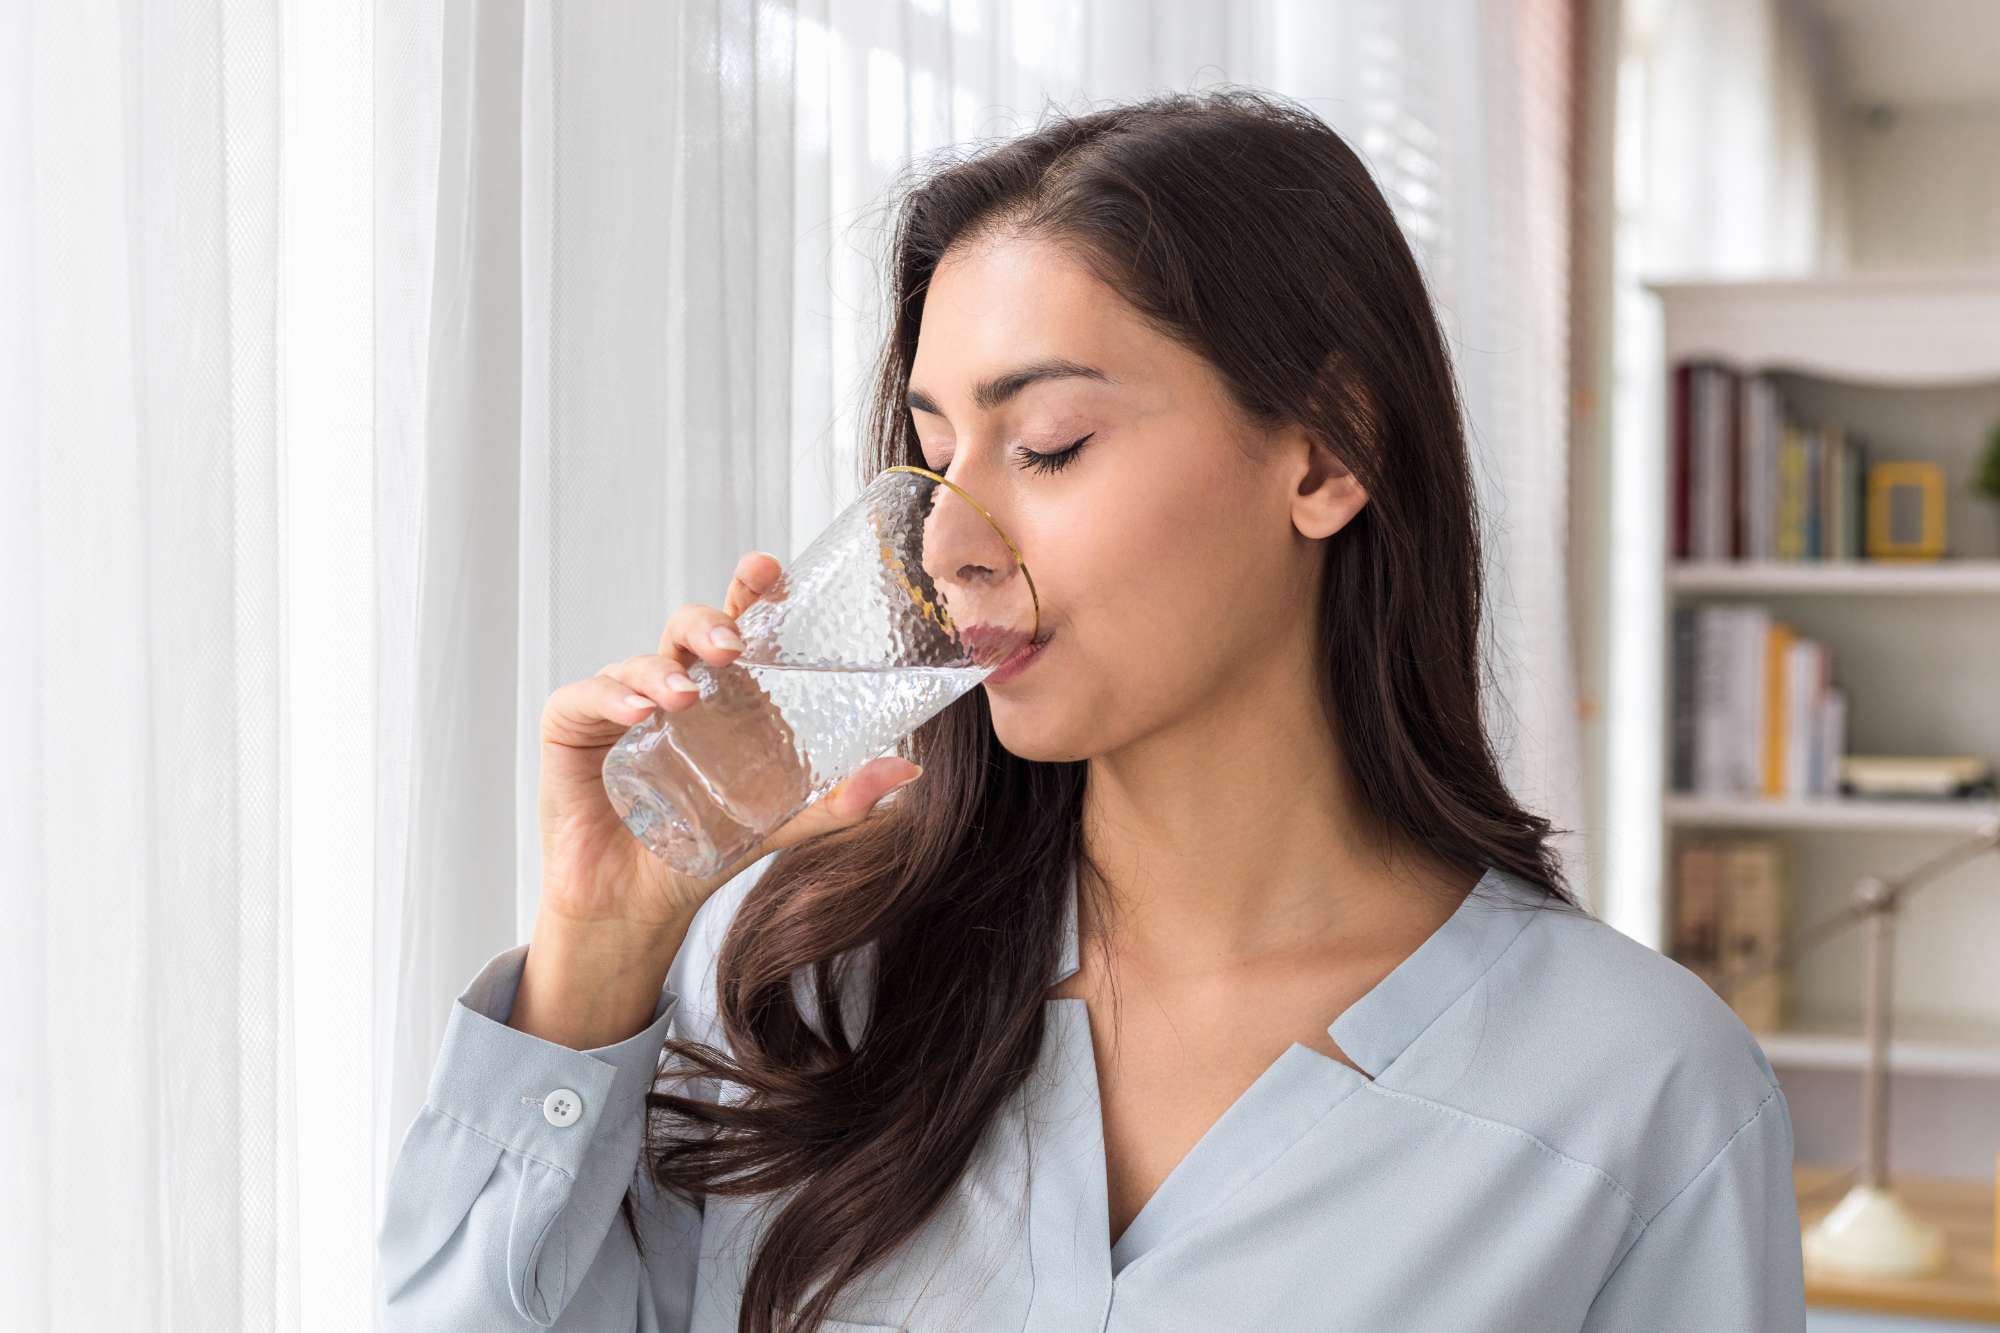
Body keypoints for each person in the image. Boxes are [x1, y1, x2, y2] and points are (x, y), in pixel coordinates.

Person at [377, 87, 1806, 1332]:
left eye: (1049, 445)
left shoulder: (1640, 1096)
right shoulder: (807, 982)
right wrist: (598, 950)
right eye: (933, 452)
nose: (945, 542)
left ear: (1327, 452)